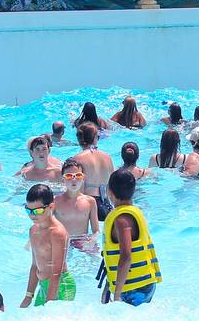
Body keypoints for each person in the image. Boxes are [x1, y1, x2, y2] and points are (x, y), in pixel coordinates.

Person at [99, 169, 161, 305]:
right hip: (143, 284)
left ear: (110, 191)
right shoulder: (133, 212)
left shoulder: (122, 219)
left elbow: (126, 257)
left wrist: (117, 293)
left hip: (133, 288)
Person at [20, 184, 74, 308]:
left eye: (38, 211)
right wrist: (28, 296)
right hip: (44, 286)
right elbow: (34, 266)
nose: (32, 215)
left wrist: (49, 304)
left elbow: (56, 273)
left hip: (62, 286)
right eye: (28, 210)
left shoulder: (57, 233)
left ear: (51, 207)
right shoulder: (33, 230)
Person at [53, 159, 99, 251]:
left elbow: (96, 231)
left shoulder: (90, 202)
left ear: (83, 178)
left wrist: (92, 241)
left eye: (78, 175)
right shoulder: (55, 201)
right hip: (63, 241)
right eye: (69, 176)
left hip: (83, 240)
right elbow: (45, 225)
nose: (74, 179)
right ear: (63, 179)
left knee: (96, 259)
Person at [73, 122, 115, 219]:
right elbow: (113, 184)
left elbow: (78, 188)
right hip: (107, 204)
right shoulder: (107, 157)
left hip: (88, 203)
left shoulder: (76, 159)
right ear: (96, 138)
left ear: (79, 139)